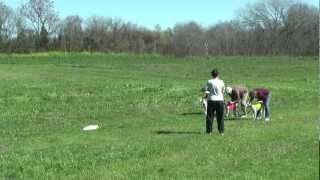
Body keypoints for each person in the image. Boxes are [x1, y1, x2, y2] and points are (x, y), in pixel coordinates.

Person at [202, 69, 225, 135]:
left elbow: (207, 90)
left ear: (212, 75)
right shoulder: (221, 81)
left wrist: (205, 97)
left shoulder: (209, 81)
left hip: (211, 100)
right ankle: (221, 132)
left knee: (210, 116)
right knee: (220, 116)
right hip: (220, 100)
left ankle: (209, 132)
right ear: (218, 74)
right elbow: (223, 91)